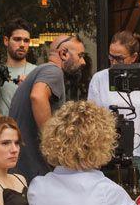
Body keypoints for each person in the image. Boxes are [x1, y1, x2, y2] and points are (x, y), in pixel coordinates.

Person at [87, 31, 140, 205]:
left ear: (133, 57)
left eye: (120, 58)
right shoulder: (99, 79)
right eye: (111, 57)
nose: (114, 62)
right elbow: (91, 117)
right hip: (109, 155)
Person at [7, 34, 87, 182]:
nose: (82, 62)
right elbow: (37, 96)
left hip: (23, 169)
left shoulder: (42, 70)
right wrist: (52, 142)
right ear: (63, 54)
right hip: (32, 171)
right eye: (80, 55)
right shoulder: (53, 71)